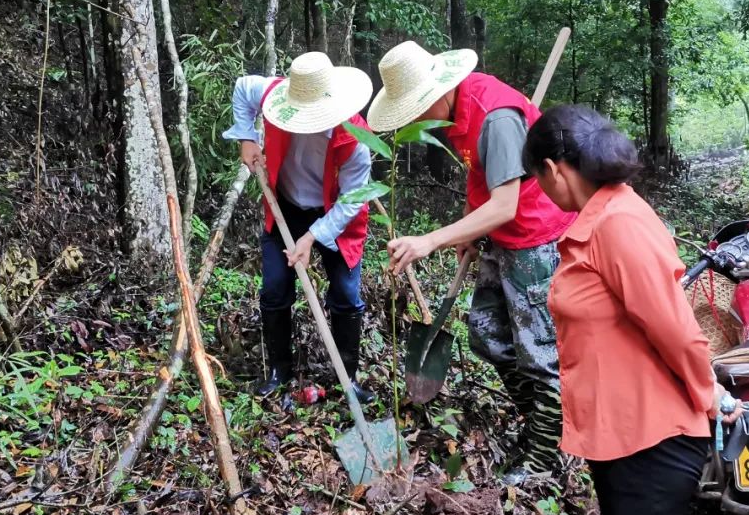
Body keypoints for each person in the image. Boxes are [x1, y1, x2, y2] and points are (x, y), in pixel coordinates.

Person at [521, 104, 741, 515]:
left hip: (653, 436)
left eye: (538, 180)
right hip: (628, 433)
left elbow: (674, 327)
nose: (541, 190)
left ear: (553, 170)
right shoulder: (604, 218)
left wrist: (708, 392)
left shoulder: (617, 225)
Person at [367, 41, 576, 482]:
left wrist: (431, 240)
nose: (414, 120)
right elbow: (482, 181)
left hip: (535, 239)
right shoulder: (459, 116)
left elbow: (505, 206)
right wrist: (466, 228)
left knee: (539, 355)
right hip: (499, 240)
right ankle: (537, 426)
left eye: (415, 109)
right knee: (485, 335)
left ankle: (547, 457)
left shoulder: (495, 116)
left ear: (435, 95)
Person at [224, 51, 375, 402]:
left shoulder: (355, 140)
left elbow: (353, 201)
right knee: (275, 288)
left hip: (335, 214)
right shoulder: (277, 97)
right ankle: (279, 370)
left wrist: (312, 237)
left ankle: (346, 377)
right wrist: (247, 137)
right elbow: (243, 88)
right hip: (286, 208)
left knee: (346, 295)